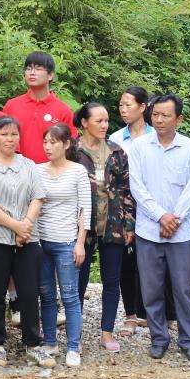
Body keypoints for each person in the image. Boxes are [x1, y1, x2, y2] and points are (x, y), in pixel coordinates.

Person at [127, 94, 190, 363]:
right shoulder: (138, 147)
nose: (158, 120)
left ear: (179, 119)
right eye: (155, 115)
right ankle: (159, 338)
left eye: (165, 115)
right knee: (151, 289)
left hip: (181, 233)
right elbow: (137, 187)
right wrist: (161, 216)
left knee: (183, 289)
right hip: (148, 230)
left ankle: (188, 339)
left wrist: (174, 219)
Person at [0, 115, 54, 368]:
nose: (10, 139)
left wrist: (26, 226)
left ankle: (33, 343)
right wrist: (15, 226)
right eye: (4, 134)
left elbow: (38, 197)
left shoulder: (29, 165)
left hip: (28, 239)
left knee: (30, 292)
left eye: (14, 134)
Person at [74, 102, 135, 352]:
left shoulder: (116, 151)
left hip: (113, 223)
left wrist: (129, 224)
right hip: (81, 225)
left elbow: (126, 191)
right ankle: (73, 331)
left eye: (107, 120)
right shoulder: (72, 151)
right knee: (78, 277)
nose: (104, 125)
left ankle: (107, 332)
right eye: (98, 121)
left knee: (112, 279)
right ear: (84, 123)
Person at [35, 124, 91, 367]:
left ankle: (73, 346)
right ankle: (50, 342)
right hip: (41, 240)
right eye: (45, 141)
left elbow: (84, 209)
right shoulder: (36, 170)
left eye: (53, 142)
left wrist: (80, 243)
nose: (48, 146)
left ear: (66, 144)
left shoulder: (77, 171)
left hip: (67, 240)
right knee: (46, 295)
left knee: (70, 296)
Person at [110, 87, 152, 333]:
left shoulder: (155, 135)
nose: (124, 110)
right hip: (124, 206)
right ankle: (130, 313)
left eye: (129, 105)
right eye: (121, 105)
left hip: (150, 205)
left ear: (143, 107)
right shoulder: (116, 138)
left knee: (149, 259)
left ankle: (153, 311)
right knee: (126, 259)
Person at [2, 51, 75, 164]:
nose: (32, 72)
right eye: (28, 68)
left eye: (38, 68)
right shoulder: (11, 106)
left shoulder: (63, 110)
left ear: (51, 75)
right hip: (16, 173)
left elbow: (70, 149)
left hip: (51, 175)